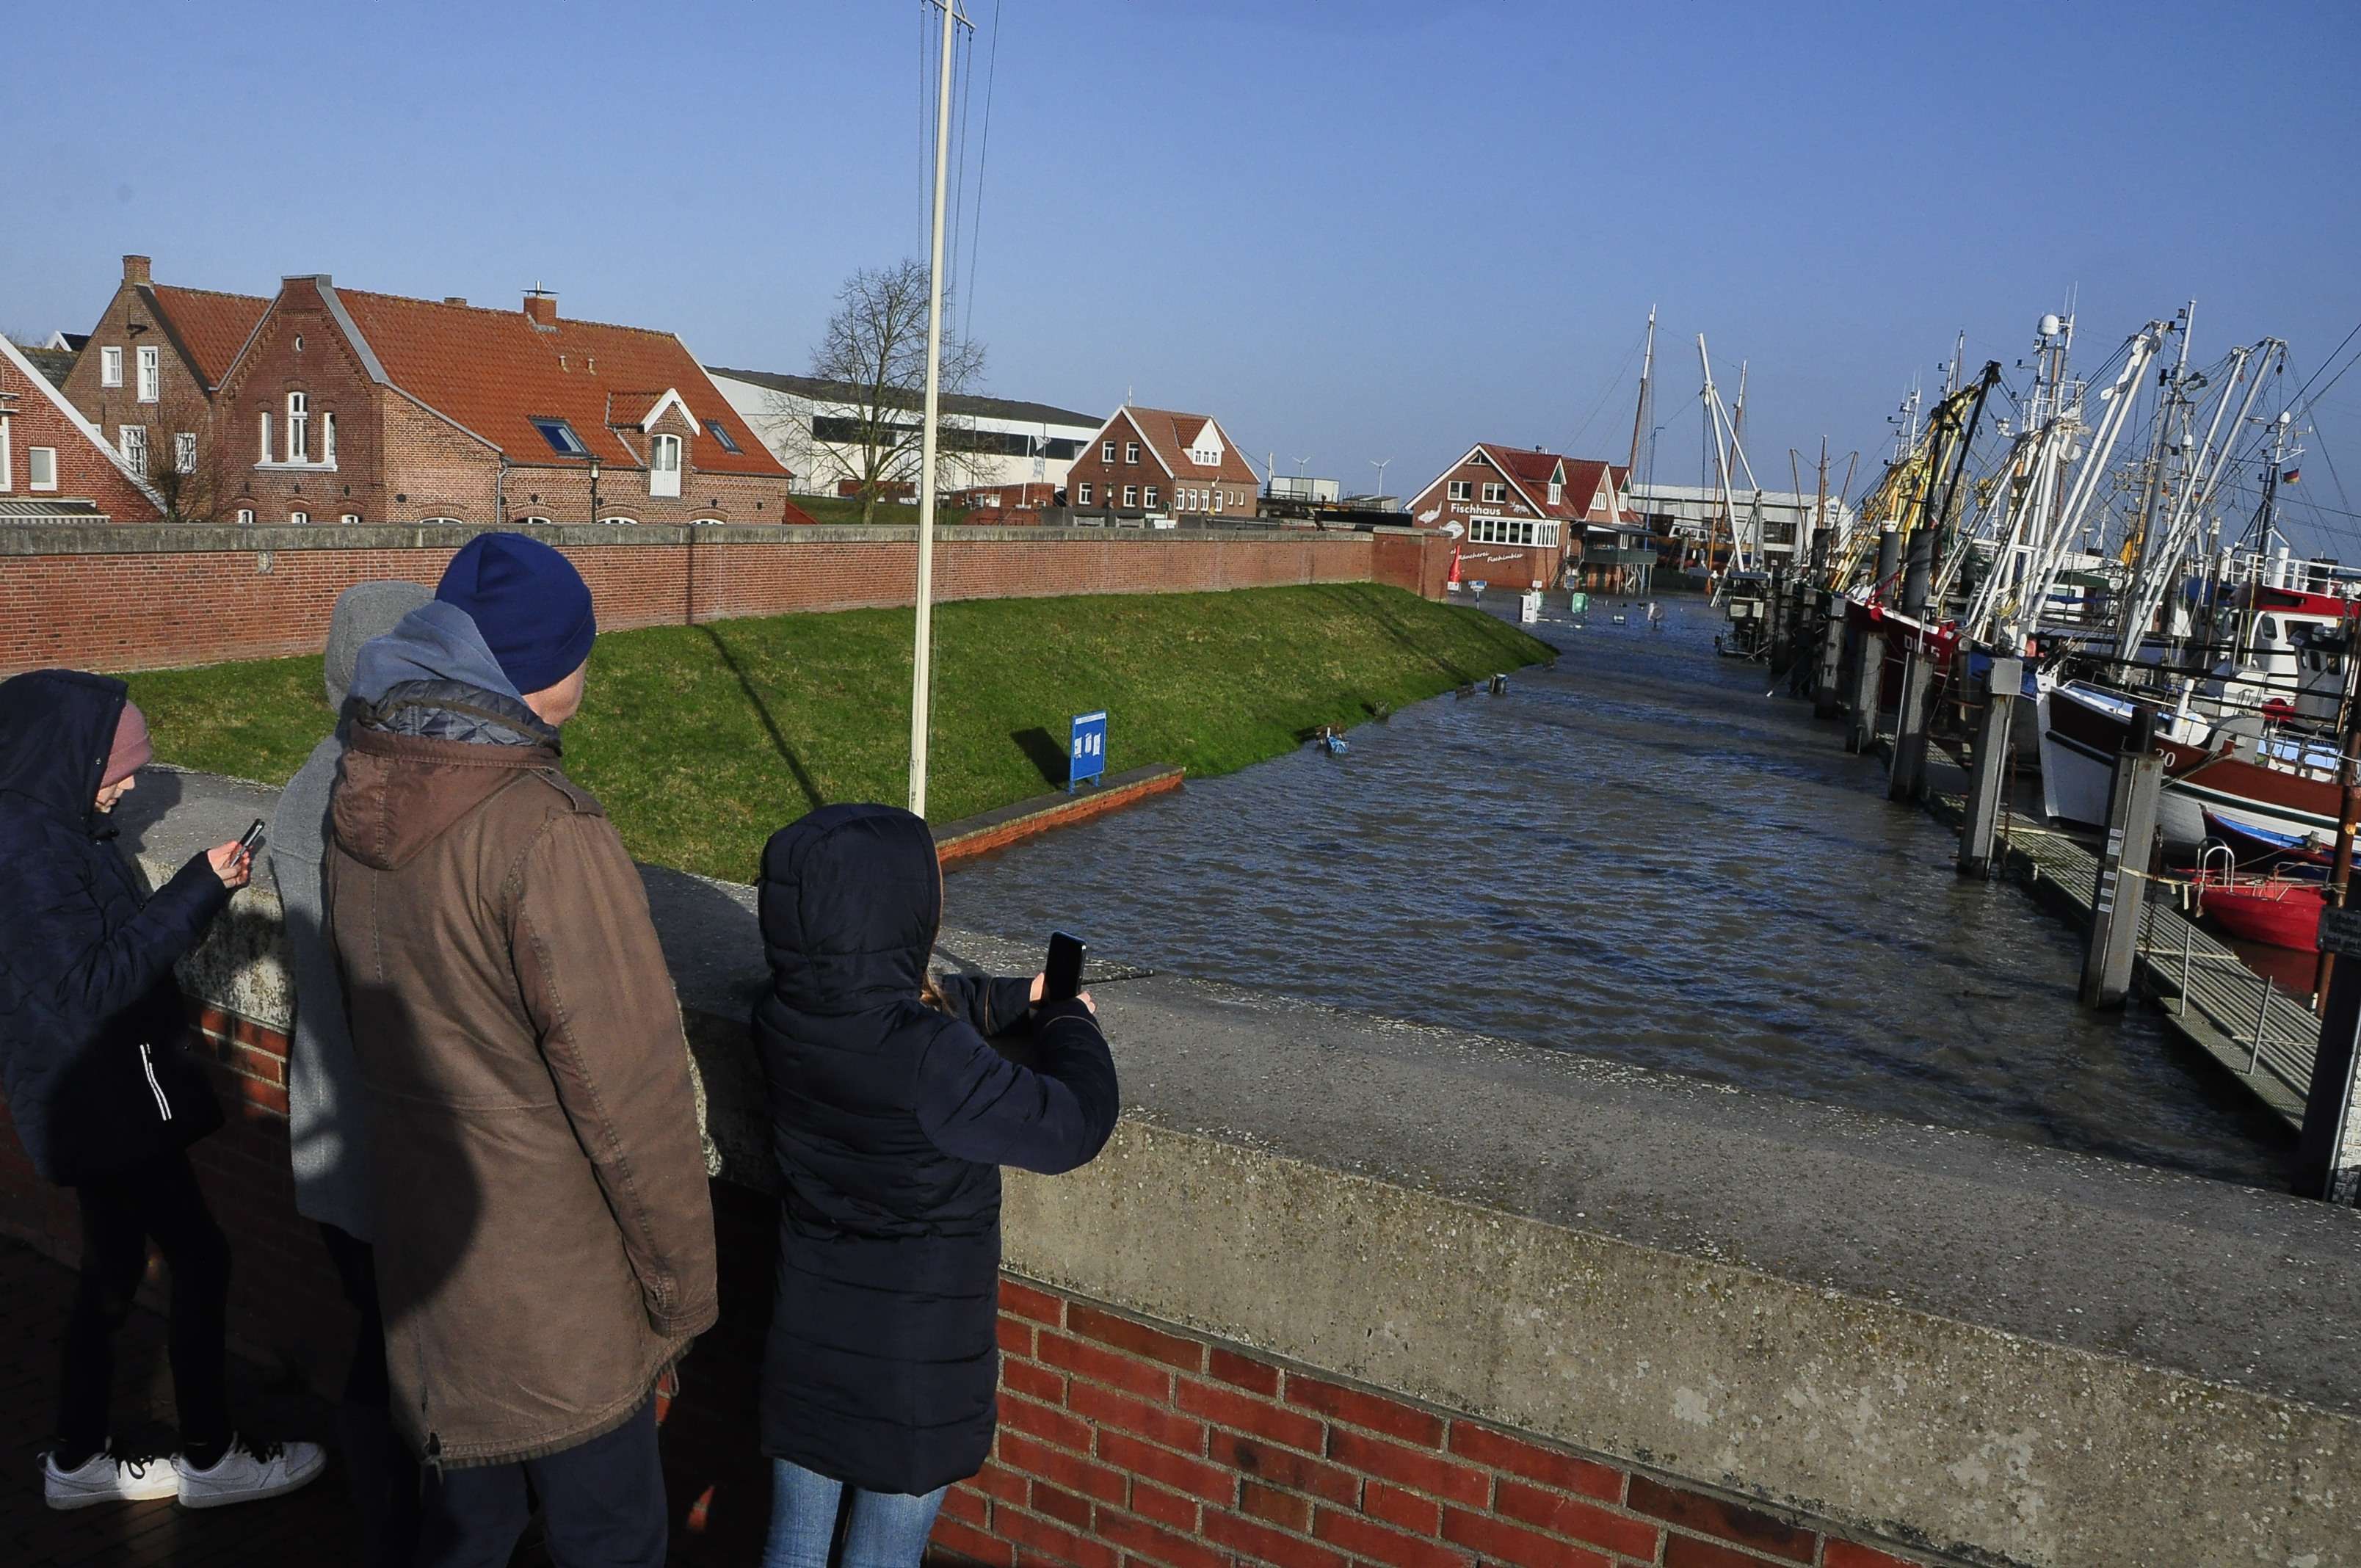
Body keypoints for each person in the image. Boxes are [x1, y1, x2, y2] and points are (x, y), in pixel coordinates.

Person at [324, 533, 717, 1568]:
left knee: (467, 1536)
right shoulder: (547, 831)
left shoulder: (364, 784)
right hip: (557, 1310)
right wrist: (682, 1289)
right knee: (611, 1543)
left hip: (432, 1265)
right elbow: (630, 1093)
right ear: (547, 673)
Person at [752, 804, 1120, 1568]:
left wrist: (1020, 993)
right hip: (910, 1367)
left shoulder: (783, 1013)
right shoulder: (929, 1062)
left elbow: (905, 996)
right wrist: (1068, 1025)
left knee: (791, 1545)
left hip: (810, 1336)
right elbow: (1072, 1126)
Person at [0, 670, 327, 1510]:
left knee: (112, 1265)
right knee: (199, 1256)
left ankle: (75, 1460)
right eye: (123, 765)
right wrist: (200, 887)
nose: (136, 782)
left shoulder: (49, 823)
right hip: (102, 1097)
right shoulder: (29, 848)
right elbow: (92, 982)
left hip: (87, 1092)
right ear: (69, 758)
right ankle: (212, 1455)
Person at [268, 579, 432, 1564]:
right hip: (394, 1153)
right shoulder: (384, 803)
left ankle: (390, 1531)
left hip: (331, 1142)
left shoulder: (302, 787)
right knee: (406, 1368)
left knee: (377, 1353)